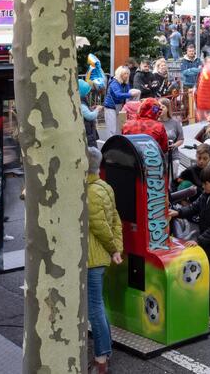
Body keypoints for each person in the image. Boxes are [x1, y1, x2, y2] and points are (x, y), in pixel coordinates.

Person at [168, 162, 210, 328]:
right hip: (209, 247)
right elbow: (195, 207)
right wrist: (178, 212)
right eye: (203, 183)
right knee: (209, 278)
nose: (203, 186)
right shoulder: (207, 195)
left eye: (206, 184)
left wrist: (198, 241)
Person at [86, 147, 123, 374]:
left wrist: (112, 248)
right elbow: (116, 220)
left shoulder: (89, 192)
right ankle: (105, 350)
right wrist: (117, 248)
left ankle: (101, 360)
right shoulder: (105, 187)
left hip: (92, 257)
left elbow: (99, 226)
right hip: (102, 255)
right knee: (98, 305)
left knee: (94, 308)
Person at [102, 66, 134, 142]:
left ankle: (120, 143)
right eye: (124, 74)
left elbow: (128, 92)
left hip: (121, 107)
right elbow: (118, 95)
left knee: (122, 127)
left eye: (127, 74)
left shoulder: (125, 83)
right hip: (110, 107)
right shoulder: (114, 83)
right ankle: (111, 145)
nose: (126, 76)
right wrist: (131, 94)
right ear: (120, 74)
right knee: (111, 129)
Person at [80, 80, 103, 149]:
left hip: (88, 131)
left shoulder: (80, 101)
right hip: (88, 132)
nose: (88, 93)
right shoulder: (81, 104)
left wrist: (91, 108)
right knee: (93, 152)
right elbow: (90, 116)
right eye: (87, 92)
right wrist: (97, 109)